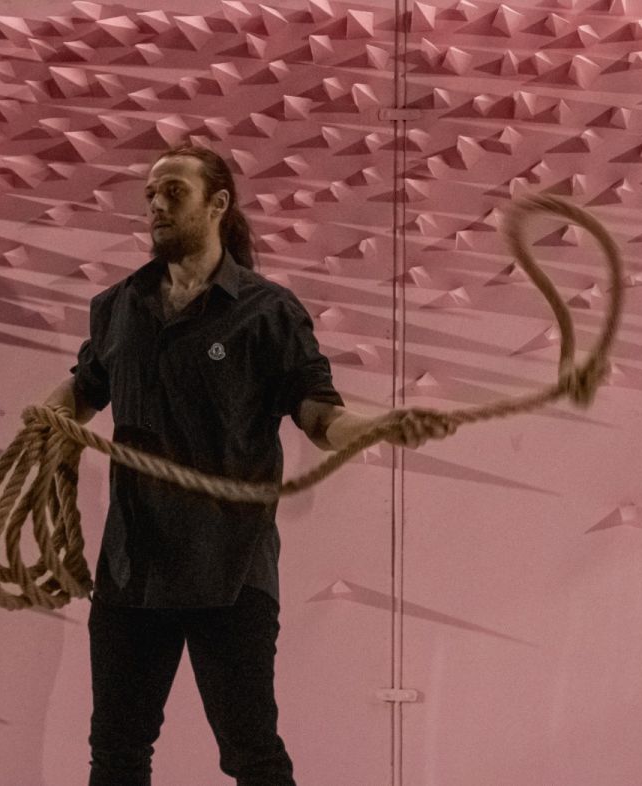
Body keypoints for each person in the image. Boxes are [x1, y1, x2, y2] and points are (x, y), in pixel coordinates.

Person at [41, 142, 455, 786]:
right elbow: (86, 387)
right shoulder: (118, 306)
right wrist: (44, 419)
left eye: (173, 192)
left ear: (218, 204)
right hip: (133, 568)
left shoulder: (268, 312)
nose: (155, 205)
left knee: (251, 754)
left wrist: (375, 426)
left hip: (230, 568)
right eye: (150, 195)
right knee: (117, 754)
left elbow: (319, 416)